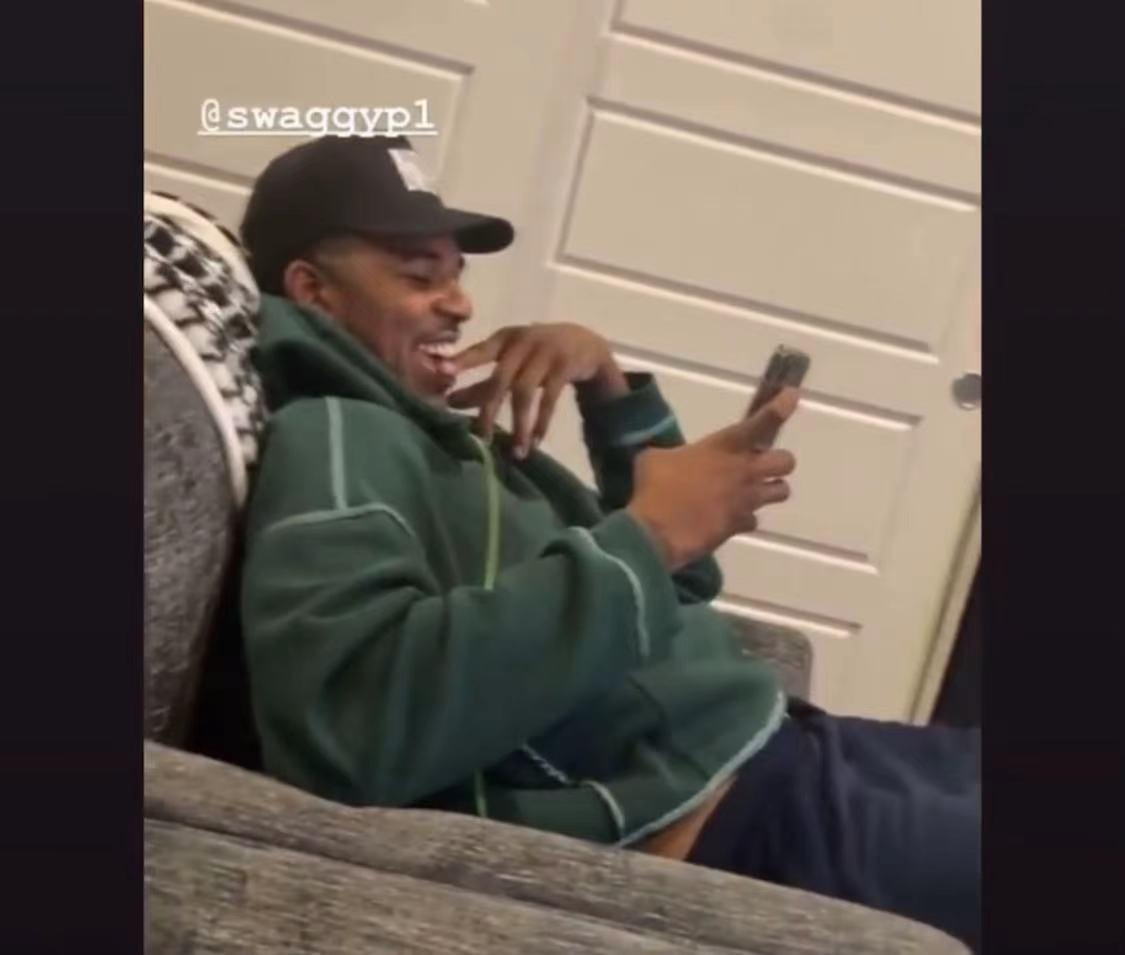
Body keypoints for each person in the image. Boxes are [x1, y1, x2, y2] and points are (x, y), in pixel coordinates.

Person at [237, 135, 980, 951]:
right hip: (747, 818)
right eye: (419, 277)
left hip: (793, 749)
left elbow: (681, 581)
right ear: (313, 291)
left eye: (456, 274)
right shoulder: (336, 438)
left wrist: (608, 390)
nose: (460, 304)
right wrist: (652, 533)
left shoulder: (442, 438)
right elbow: (349, 727)